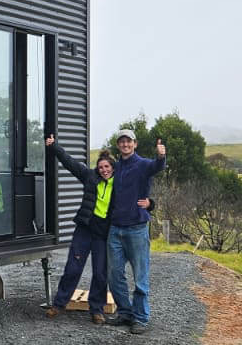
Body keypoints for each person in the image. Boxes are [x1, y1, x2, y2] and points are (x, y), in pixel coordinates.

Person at [43, 137, 116, 324]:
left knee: (100, 273)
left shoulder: (119, 183)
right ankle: (59, 304)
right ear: (97, 169)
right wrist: (54, 146)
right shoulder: (89, 176)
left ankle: (97, 310)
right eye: (101, 167)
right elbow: (70, 163)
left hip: (103, 234)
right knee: (73, 268)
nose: (104, 170)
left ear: (113, 168)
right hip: (84, 230)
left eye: (107, 167)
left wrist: (149, 205)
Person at [106, 129, 167, 334]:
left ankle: (140, 318)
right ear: (118, 145)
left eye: (129, 141)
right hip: (115, 229)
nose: (125, 145)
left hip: (137, 229)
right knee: (114, 274)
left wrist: (161, 155)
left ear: (135, 144)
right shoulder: (116, 167)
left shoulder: (142, 164)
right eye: (122, 142)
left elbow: (157, 166)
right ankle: (125, 313)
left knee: (140, 276)